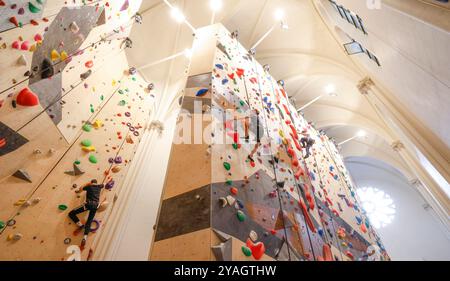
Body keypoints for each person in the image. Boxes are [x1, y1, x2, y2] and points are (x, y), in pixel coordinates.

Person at [68, 179, 104, 246]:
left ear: (91, 182)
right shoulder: (99, 187)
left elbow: (81, 188)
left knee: (71, 213)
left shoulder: (89, 187)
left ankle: (80, 225)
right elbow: (103, 185)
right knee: (89, 221)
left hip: (88, 204)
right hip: (96, 206)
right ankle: (85, 237)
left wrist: (87, 183)